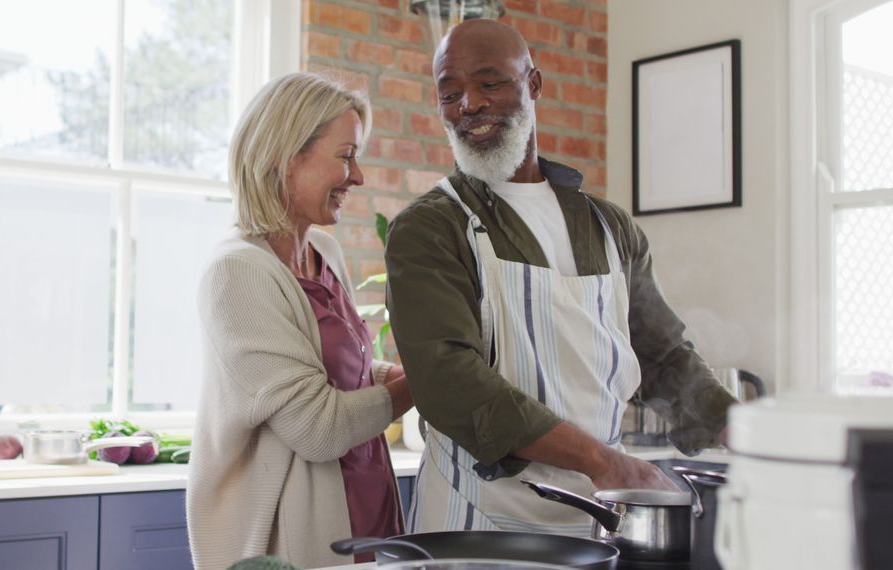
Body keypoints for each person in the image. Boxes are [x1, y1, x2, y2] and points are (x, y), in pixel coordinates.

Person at [384, 20, 738, 534]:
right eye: (450, 93)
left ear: (534, 85)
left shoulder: (608, 227)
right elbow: (449, 381)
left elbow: (663, 356)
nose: (470, 104)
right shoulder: (431, 228)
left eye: (490, 82)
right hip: (478, 524)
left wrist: (742, 430)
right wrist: (604, 461)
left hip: (597, 517)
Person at [187, 72, 414, 570]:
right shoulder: (237, 272)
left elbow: (332, 367)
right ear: (285, 155)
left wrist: (385, 376)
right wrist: (424, 382)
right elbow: (318, 427)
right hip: (294, 539)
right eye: (345, 155)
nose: (358, 176)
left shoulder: (323, 253)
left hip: (369, 519)